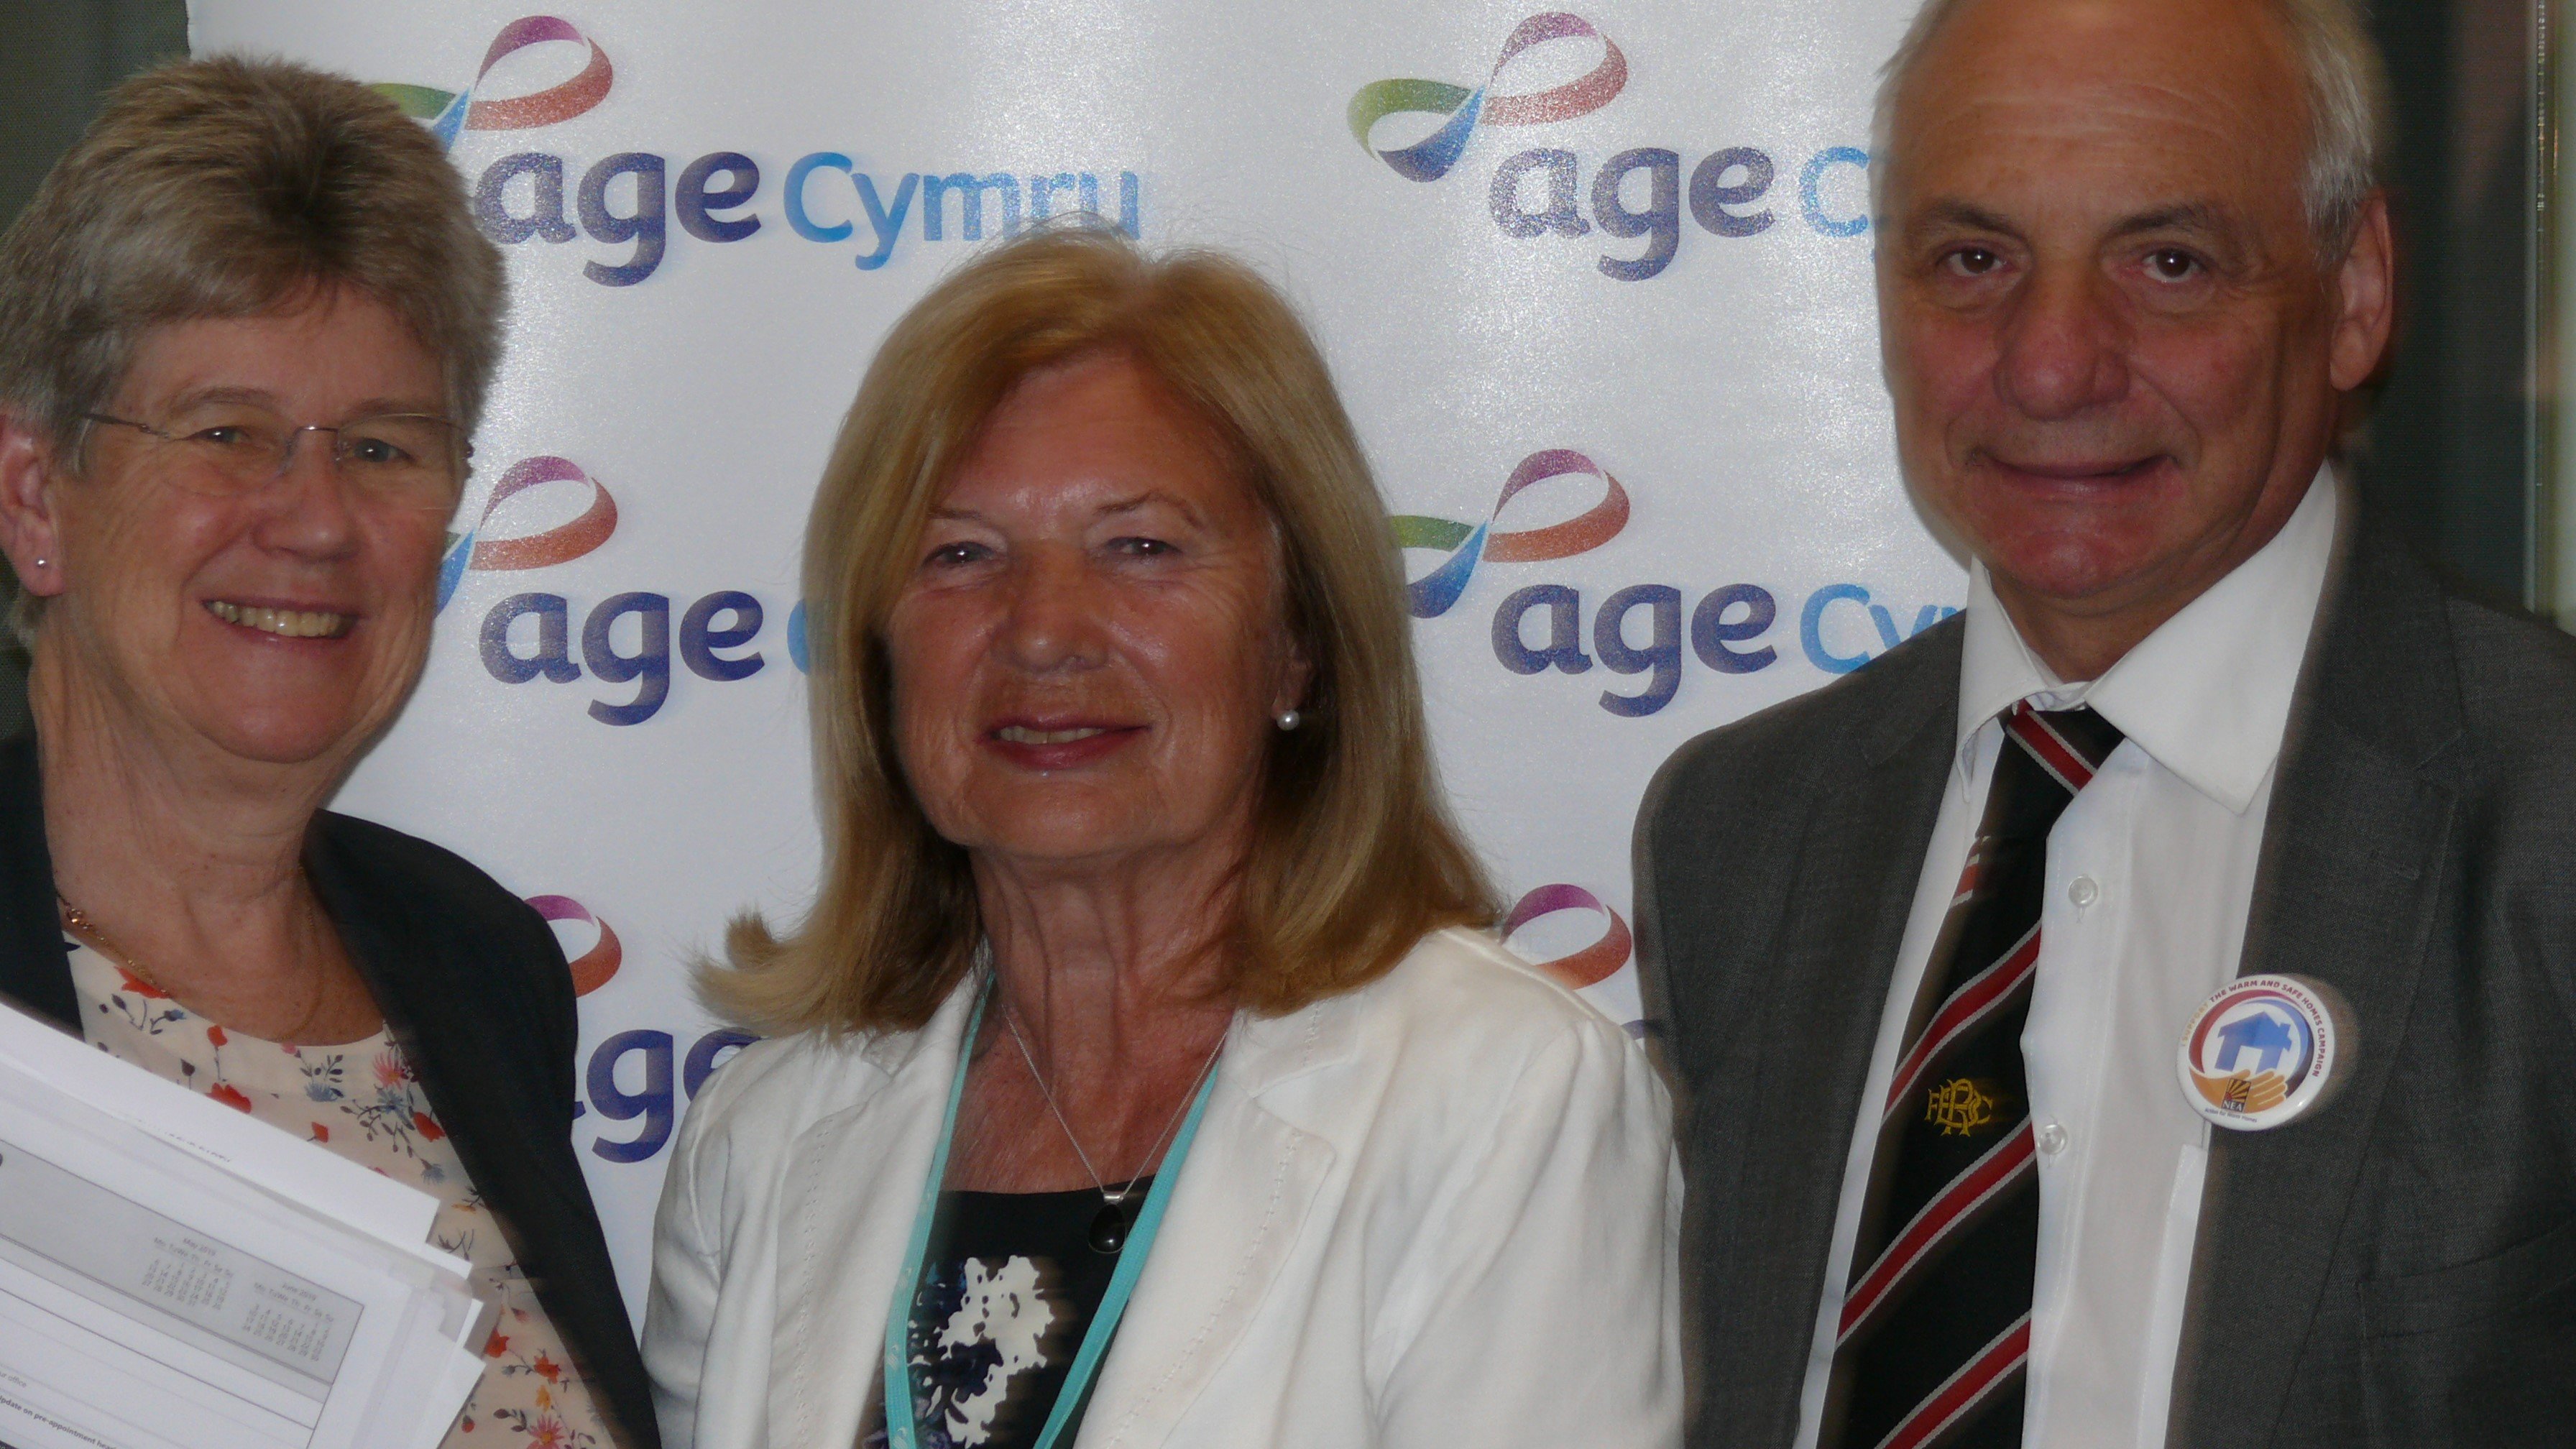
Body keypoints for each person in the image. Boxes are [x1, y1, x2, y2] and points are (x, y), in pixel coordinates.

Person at [1636, 0, 2576, 1445]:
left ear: (2357, 293)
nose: (2053, 364)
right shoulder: (1742, 829)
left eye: (2169, 262)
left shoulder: (2546, 814)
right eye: (1973, 260)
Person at [643, 224, 1680, 1449]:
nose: (1043, 631)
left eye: (1140, 548)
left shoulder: (1504, 1095)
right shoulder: (759, 1141)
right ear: (879, 657)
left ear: (1296, 639)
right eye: (962, 554)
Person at [0, 58, 658, 1449]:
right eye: (226, 431)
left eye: (380, 446)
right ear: (36, 495)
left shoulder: (482, 965)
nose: (312, 519)